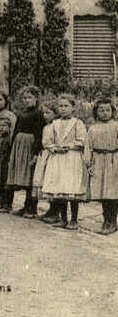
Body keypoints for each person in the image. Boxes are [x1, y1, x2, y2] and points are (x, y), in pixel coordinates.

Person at [41, 94, 89, 231]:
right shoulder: (54, 124)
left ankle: (73, 219)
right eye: (60, 106)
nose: (63, 109)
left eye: (66, 106)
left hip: (72, 158)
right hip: (58, 158)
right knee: (60, 188)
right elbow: (46, 141)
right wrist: (54, 148)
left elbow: (82, 140)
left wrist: (69, 146)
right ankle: (63, 219)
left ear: (73, 108)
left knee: (71, 188)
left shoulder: (77, 123)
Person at [6, 86, 45, 217]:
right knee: (22, 177)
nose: (27, 100)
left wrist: (35, 152)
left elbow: (40, 134)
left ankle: (32, 208)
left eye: (30, 98)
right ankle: (25, 206)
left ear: (36, 98)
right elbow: (16, 130)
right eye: (25, 98)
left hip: (30, 146)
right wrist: (13, 148)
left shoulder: (38, 114)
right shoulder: (21, 113)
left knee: (30, 177)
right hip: (19, 146)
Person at [85, 98, 118, 235]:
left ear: (112, 111)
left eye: (107, 110)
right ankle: (106, 220)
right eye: (101, 110)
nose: (105, 113)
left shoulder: (116, 126)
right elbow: (88, 147)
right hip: (98, 161)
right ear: (96, 112)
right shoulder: (93, 128)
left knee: (112, 192)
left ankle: (112, 221)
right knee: (103, 193)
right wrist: (89, 163)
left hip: (113, 160)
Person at [33, 102, 58, 221]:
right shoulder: (45, 127)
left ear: (55, 113)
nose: (45, 115)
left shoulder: (56, 126)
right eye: (44, 113)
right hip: (44, 155)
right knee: (43, 182)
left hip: (52, 155)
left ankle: (55, 211)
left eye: (48, 112)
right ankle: (49, 210)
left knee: (52, 182)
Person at [0, 117, 15, 212]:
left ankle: (7, 204)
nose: (1, 128)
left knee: (6, 185)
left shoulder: (10, 140)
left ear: (9, 127)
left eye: (4, 126)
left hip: (6, 164)